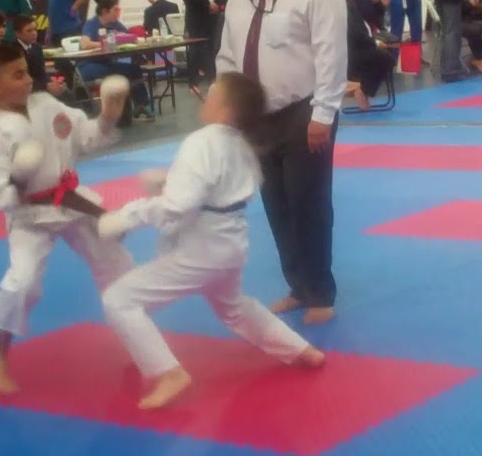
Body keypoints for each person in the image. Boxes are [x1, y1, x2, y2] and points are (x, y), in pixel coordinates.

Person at [97, 72, 326, 410]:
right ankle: (300, 349)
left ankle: (168, 372)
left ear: (225, 109)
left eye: (214, 93)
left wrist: (126, 217)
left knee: (119, 300)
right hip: (230, 245)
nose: (206, 95)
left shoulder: (202, 141)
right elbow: (214, 189)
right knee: (234, 309)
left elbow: (179, 205)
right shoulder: (240, 143)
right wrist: (168, 182)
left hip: (201, 250)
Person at [0, 42, 134, 394]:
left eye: (26, 71)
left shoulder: (46, 105)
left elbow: (88, 136)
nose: (29, 79)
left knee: (118, 266)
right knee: (22, 284)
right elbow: (0, 197)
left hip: (72, 203)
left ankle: (138, 337)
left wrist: (109, 113)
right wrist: (19, 178)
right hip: (29, 216)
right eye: (18, 75)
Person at [215, 0, 347, 325]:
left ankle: (320, 293)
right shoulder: (238, 0)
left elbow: (331, 55)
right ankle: (298, 287)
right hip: (256, 118)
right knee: (276, 206)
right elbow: (227, 57)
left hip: (304, 112)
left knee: (309, 204)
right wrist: (227, 106)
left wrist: (323, 113)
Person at [79, 0, 153, 121]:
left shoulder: (115, 24)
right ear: (104, 11)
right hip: (89, 65)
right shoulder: (92, 23)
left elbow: (129, 37)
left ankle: (140, 106)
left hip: (107, 64)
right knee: (127, 71)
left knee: (134, 69)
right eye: (115, 9)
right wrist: (106, 43)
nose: (118, 12)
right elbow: (85, 44)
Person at [333, 0, 394, 110]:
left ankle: (363, 89)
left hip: (358, 44)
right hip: (352, 50)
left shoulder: (349, 3)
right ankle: (362, 89)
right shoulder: (342, 5)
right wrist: (375, 42)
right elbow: (355, 32)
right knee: (386, 58)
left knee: (384, 56)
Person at [178, 0, 220, 89]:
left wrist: (217, 5)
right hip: (196, 16)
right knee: (196, 48)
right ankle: (193, 80)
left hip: (213, 16)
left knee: (212, 46)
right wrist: (206, 4)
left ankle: (212, 75)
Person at [15, 14, 74, 103]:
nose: (34, 33)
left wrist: (52, 84)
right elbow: (21, 78)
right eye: (29, 31)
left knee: (67, 93)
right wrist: (46, 86)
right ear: (18, 33)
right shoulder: (13, 51)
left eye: (35, 30)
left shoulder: (37, 47)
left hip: (42, 85)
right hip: (24, 89)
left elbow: (42, 73)